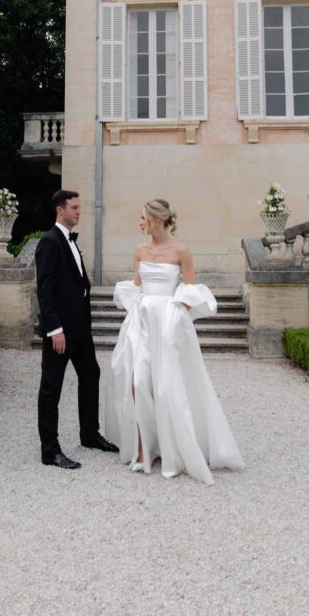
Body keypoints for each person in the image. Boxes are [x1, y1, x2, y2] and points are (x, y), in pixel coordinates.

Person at [104, 198, 244, 485]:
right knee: (138, 383)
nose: (140, 222)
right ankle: (144, 449)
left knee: (168, 390)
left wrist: (174, 316)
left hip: (167, 327)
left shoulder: (181, 250)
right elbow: (137, 287)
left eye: (143, 217)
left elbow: (192, 293)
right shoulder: (139, 250)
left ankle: (173, 449)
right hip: (142, 325)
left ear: (156, 219)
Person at [36, 189, 119, 469]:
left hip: (80, 328)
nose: (79, 212)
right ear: (60, 210)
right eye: (74, 207)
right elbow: (44, 290)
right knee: (52, 387)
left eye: (79, 207)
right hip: (60, 330)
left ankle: (89, 434)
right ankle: (50, 450)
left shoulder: (71, 241)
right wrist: (54, 329)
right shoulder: (49, 241)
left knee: (91, 373)